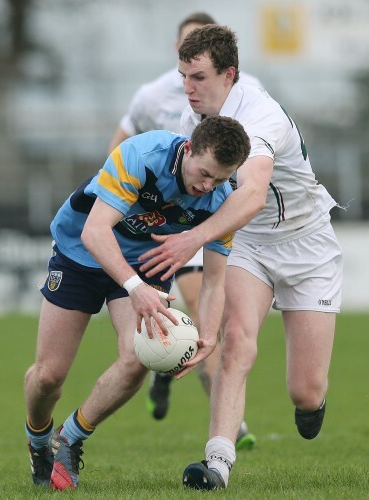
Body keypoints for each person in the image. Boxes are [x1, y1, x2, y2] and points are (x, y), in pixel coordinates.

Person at [138, 25, 343, 490]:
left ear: (229, 75)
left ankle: (312, 404)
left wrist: (191, 241)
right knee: (235, 341)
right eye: (183, 76)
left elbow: (250, 194)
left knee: (305, 391)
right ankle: (217, 465)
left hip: (306, 243)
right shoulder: (202, 120)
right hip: (248, 241)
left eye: (198, 78)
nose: (187, 88)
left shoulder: (258, 116)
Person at [24, 115, 251, 490]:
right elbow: (94, 232)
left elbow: (213, 280)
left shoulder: (221, 201)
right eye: (205, 173)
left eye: (221, 179)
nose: (207, 185)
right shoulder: (142, 155)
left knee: (138, 356)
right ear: (189, 148)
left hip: (145, 262)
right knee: (48, 376)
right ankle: (37, 441)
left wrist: (209, 335)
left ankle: (70, 438)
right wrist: (134, 287)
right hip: (79, 252)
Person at [109, 11, 262, 450]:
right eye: (184, 67)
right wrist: (115, 194)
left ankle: (206, 398)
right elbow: (122, 142)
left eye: (198, 71)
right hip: (175, 223)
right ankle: (211, 399)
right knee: (188, 309)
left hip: (218, 219)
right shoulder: (161, 98)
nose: (189, 82)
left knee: (211, 311)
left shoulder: (251, 99)